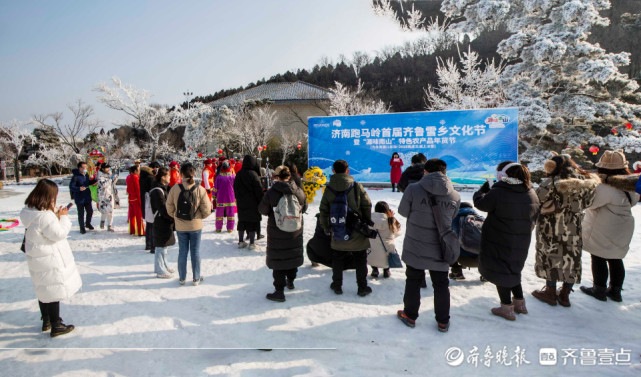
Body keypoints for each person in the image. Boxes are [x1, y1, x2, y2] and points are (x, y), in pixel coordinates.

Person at [396, 158, 460, 332]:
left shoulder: (413, 189)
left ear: (425, 172)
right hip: (441, 246)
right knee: (441, 285)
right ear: (445, 173)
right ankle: (443, 321)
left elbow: (402, 211)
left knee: (413, 281)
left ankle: (409, 316)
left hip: (415, 244)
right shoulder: (454, 195)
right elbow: (452, 216)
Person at [473, 162, 540, 321]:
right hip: (521, 239)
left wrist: (481, 191)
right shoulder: (530, 192)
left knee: (500, 271)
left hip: (498, 238)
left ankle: (506, 308)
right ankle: (520, 304)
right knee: (513, 269)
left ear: (503, 176)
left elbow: (481, 204)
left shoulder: (499, 191)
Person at [532, 154, 599, 307]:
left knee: (551, 256)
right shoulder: (584, 183)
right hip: (573, 227)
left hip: (550, 227)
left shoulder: (551, 182)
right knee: (571, 257)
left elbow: (537, 199)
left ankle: (550, 292)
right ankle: (565, 295)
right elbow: (589, 203)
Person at [20, 179, 82, 337]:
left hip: (38, 258)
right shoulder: (45, 216)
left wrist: (54, 214)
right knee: (52, 289)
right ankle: (56, 324)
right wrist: (63, 217)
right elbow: (58, 234)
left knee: (43, 288)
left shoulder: (30, 211)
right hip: (50, 257)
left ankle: (46, 319)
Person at [580, 150, 640, 302]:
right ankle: (615, 291)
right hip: (623, 225)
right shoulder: (630, 183)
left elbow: (591, 203)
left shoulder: (605, 187)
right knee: (615, 258)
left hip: (605, 226)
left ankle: (598, 289)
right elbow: (632, 202)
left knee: (598, 256)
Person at [319, 159, 373, 297]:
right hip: (356, 228)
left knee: (337, 258)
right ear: (347, 171)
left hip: (338, 229)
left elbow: (323, 210)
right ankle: (362, 287)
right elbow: (366, 205)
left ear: (333, 171)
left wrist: (326, 227)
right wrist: (366, 221)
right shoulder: (356, 186)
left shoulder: (329, 188)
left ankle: (337, 285)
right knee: (361, 259)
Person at [258, 166, 307, 302]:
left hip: (277, 231)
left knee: (279, 260)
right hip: (295, 230)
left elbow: (262, 209)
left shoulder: (272, 192)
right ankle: (290, 281)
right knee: (292, 256)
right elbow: (305, 206)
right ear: (290, 176)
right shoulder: (298, 191)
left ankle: (279, 291)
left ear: (277, 177)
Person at [166, 163, 211, 285]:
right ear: (194, 173)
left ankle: (182, 278)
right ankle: (196, 277)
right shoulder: (200, 189)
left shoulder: (175, 188)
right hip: (195, 226)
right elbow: (207, 209)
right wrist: (199, 217)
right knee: (195, 252)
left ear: (181, 173)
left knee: (182, 252)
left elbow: (168, 206)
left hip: (180, 226)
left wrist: (175, 216)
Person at [234, 155, 264, 251]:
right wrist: (261, 200)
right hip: (252, 203)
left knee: (242, 221)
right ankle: (251, 243)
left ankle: (241, 241)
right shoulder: (253, 174)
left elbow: (234, 187)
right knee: (252, 222)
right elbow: (258, 190)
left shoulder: (239, 174)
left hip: (241, 202)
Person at [150, 167, 176, 279]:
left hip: (164, 220)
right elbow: (162, 208)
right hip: (161, 220)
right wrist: (172, 217)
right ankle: (160, 269)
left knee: (164, 245)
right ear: (163, 177)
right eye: (168, 175)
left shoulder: (163, 188)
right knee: (160, 246)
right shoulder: (157, 190)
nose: (170, 177)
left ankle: (164, 265)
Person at [448, 203, 482, 281]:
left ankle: (457, 272)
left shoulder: (455, 219)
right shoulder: (480, 219)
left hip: (464, 259)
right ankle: (485, 274)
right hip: (482, 261)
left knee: (448, 243)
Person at [368, 201, 401, 279]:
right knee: (388, 247)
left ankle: (374, 269)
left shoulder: (369, 219)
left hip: (371, 256)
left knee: (374, 246)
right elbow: (398, 233)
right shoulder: (390, 221)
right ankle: (386, 270)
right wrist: (393, 218)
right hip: (387, 255)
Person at [69, 161, 97, 234]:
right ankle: (82, 228)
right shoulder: (75, 176)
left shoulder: (86, 175)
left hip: (87, 196)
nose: (85, 168)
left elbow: (88, 182)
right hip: (79, 198)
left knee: (90, 211)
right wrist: (79, 189)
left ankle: (87, 223)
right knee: (81, 213)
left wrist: (95, 180)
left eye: (86, 167)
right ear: (79, 168)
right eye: (84, 167)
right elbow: (71, 186)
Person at [140, 162, 160, 252]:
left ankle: (148, 244)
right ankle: (153, 245)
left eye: (157, 167)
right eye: (154, 167)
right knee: (152, 224)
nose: (156, 169)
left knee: (149, 224)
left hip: (145, 202)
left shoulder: (143, 176)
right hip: (150, 203)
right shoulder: (150, 178)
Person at [213, 161, 237, 233]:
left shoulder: (219, 177)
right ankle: (230, 228)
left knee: (219, 214)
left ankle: (218, 228)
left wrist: (214, 196)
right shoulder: (233, 177)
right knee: (230, 213)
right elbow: (236, 188)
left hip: (220, 198)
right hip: (230, 197)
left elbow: (215, 188)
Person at [97, 163, 118, 232]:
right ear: (103, 169)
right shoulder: (100, 175)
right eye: (107, 168)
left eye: (109, 168)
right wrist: (110, 179)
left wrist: (115, 177)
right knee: (105, 211)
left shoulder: (109, 173)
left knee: (111, 211)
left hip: (110, 194)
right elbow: (103, 185)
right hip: (103, 196)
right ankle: (102, 220)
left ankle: (109, 225)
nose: (108, 169)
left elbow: (113, 183)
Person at [126, 165, 145, 236]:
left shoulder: (129, 177)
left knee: (132, 216)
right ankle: (140, 231)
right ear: (135, 171)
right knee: (138, 216)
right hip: (136, 199)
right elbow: (138, 190)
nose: (139, 172)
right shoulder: (135, 178)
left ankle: (132, 230)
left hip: (131, 198)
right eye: (138, 170)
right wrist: (140, 201)